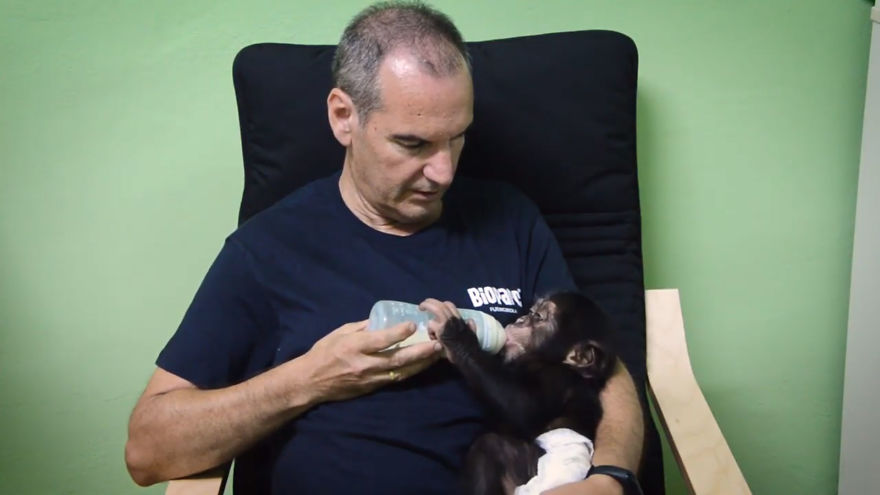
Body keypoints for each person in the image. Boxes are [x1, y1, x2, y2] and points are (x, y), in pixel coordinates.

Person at [125, 2, 643, 493]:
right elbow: (149, 450)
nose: (443, 172)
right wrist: (309, 379)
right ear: (344, 117)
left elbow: (601, 368)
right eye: (413, 144)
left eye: (456, 137)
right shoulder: (268, 250)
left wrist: (611, 477)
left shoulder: (512, 220)